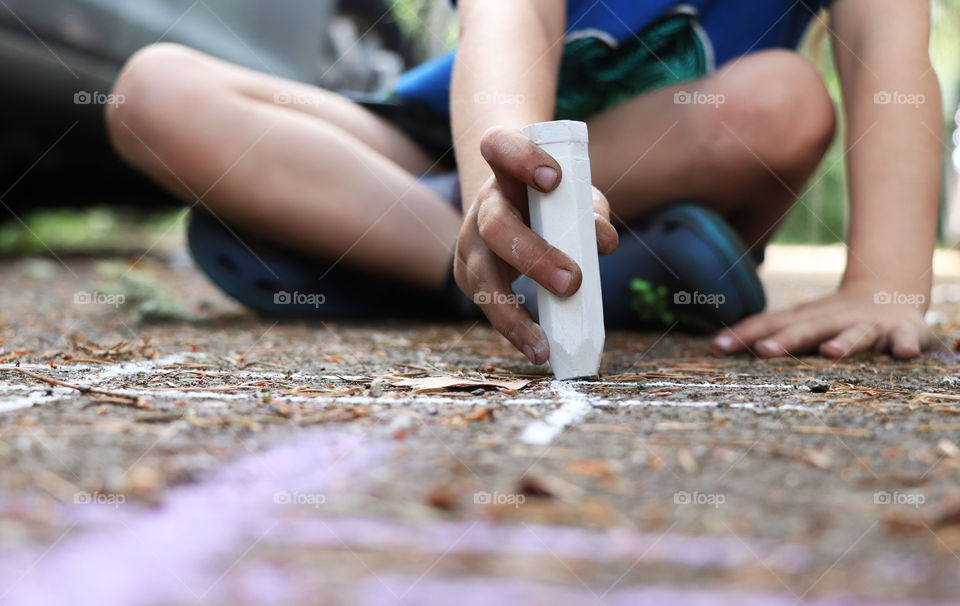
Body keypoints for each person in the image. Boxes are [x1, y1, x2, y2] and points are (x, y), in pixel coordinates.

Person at [106, 0, 940, 365]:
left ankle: (382, 245)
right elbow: (509, 17)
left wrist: (886, 283)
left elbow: (890, 57)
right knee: (153, 90)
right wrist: (492, 188)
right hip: (451, 149)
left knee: (783, 100)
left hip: (647, 165)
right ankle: (494, 257)